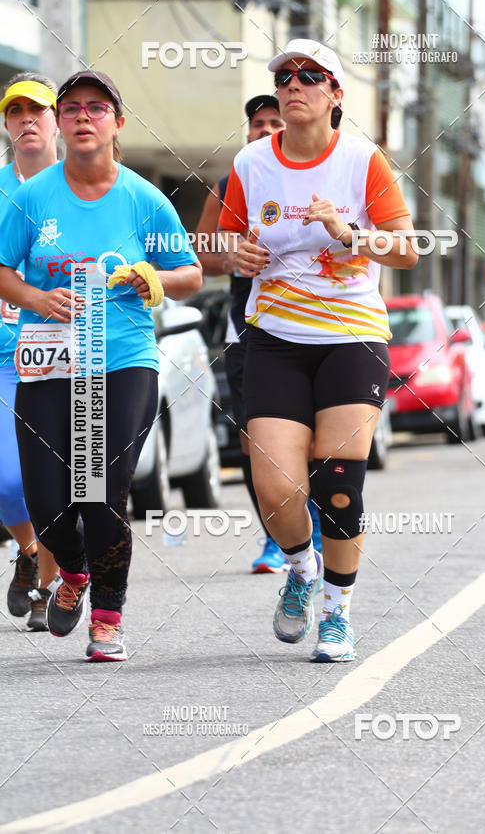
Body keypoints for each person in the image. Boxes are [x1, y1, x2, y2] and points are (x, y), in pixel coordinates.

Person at [219, 39, 417, 661]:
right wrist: (235, 255)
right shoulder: (251, 162)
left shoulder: (362, 160)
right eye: (284, 77)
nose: (293, 86)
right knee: (276, 488)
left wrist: (350, 234)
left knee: (337, 484)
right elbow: (216, 245)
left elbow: (408, 249)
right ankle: (301, 569)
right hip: (275, 339)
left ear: (335, 93)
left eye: (309, 76)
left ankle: (337, 612)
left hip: (353, 337)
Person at [0, 70, 203, 661]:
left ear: (118, 122)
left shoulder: (144, 199)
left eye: (96, 107)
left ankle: (108, 620)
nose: (83, 117)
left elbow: (190, 274)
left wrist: (154, 278)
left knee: (100, 492)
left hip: (121, 362)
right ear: (61, 124)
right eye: (71, 109)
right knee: (47, 503)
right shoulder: (32, 198)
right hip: (49, 362)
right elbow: (3, 269)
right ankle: (73, 571)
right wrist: (37, 298)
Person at [195, 94, 322, 573]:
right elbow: (200, 254)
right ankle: (277, 539)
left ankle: (315, 531)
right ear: (247, 132)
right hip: (248, 327)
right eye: (257, 123)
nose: (265, 130)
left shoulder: (319, 175)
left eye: (275, 122)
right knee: (255, 441)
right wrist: (232, 258)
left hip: (315, 324)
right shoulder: (231, 183)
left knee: (310, 438)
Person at [0, 73, 60, 631]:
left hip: (67, 354)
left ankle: (50, 585)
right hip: (5, 357)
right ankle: (28, 548)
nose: (26, 121)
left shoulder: (82, 187)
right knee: (8, 482)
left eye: (37, 111)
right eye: (16, 112)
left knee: (59, 481)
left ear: (57, 121)